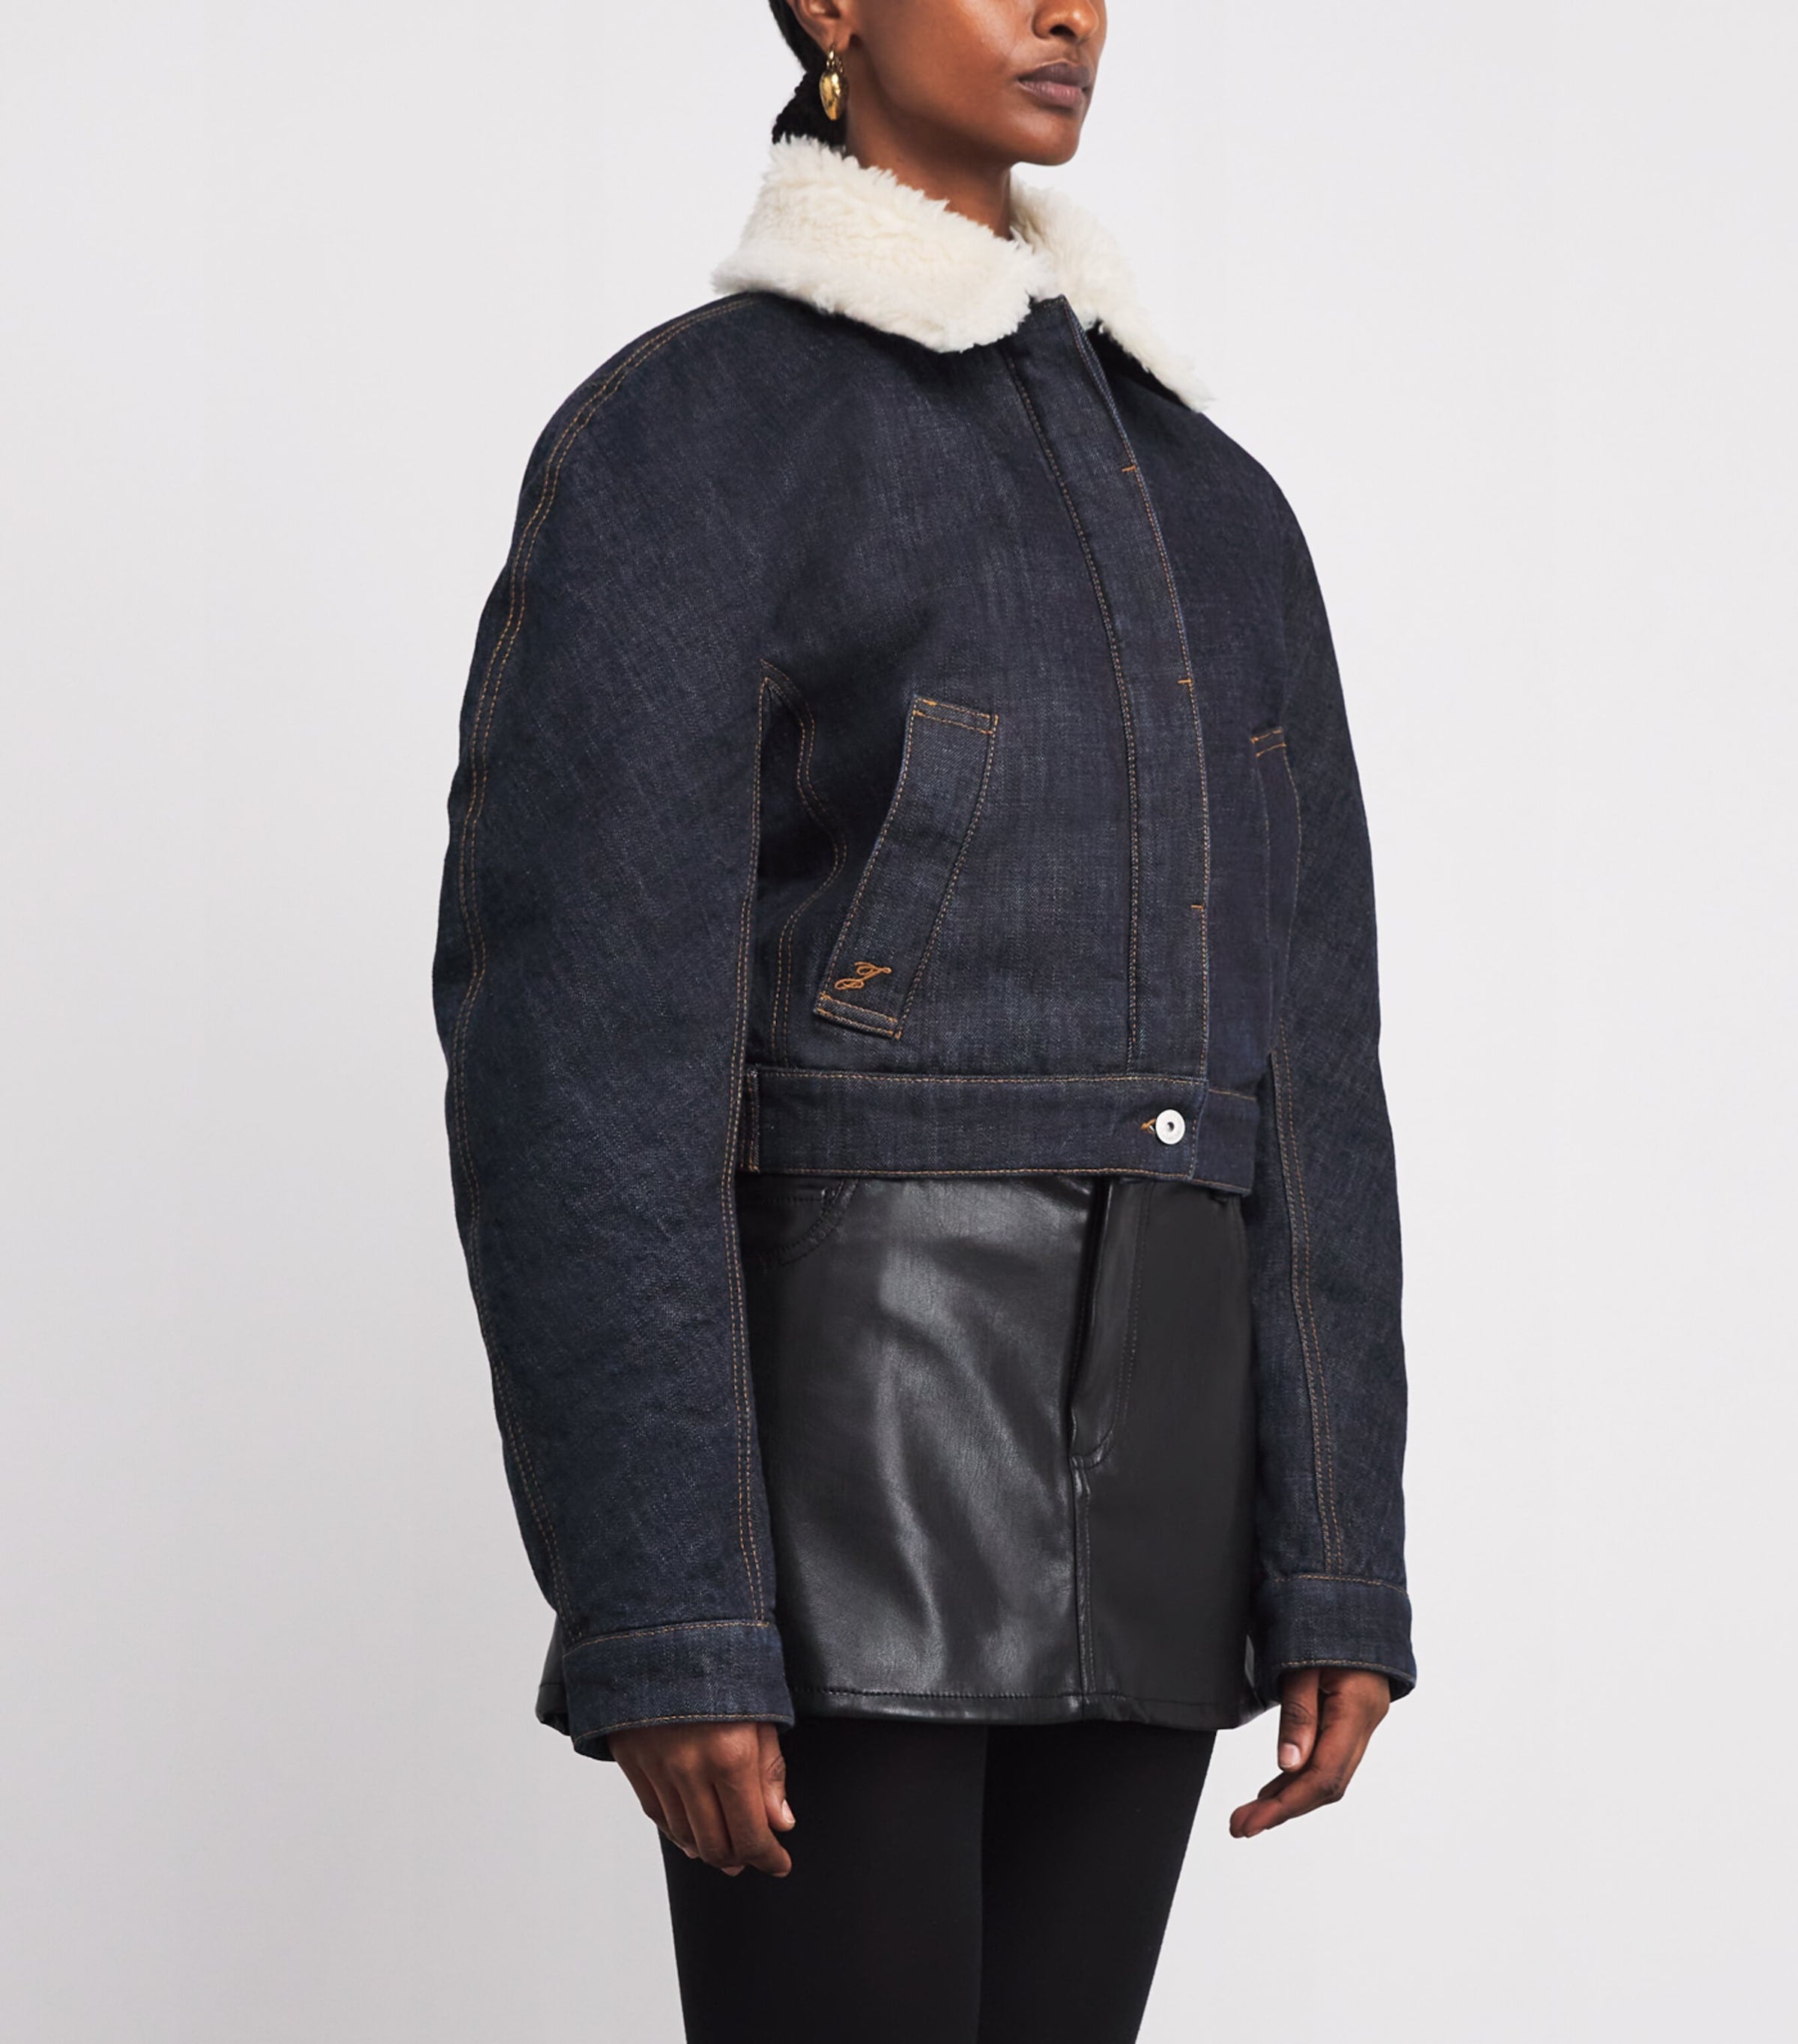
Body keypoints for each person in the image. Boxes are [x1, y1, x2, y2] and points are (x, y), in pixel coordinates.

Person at [432, 3, 1414, 2038]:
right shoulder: (696, 439)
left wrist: (1338, 1557)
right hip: (841, 1469)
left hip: (1169, 1479)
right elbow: (581, 1061)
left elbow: (1314, 1062)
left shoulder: (1221, 509)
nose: (1067, 11)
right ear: (828, 5)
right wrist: (667, 1606)